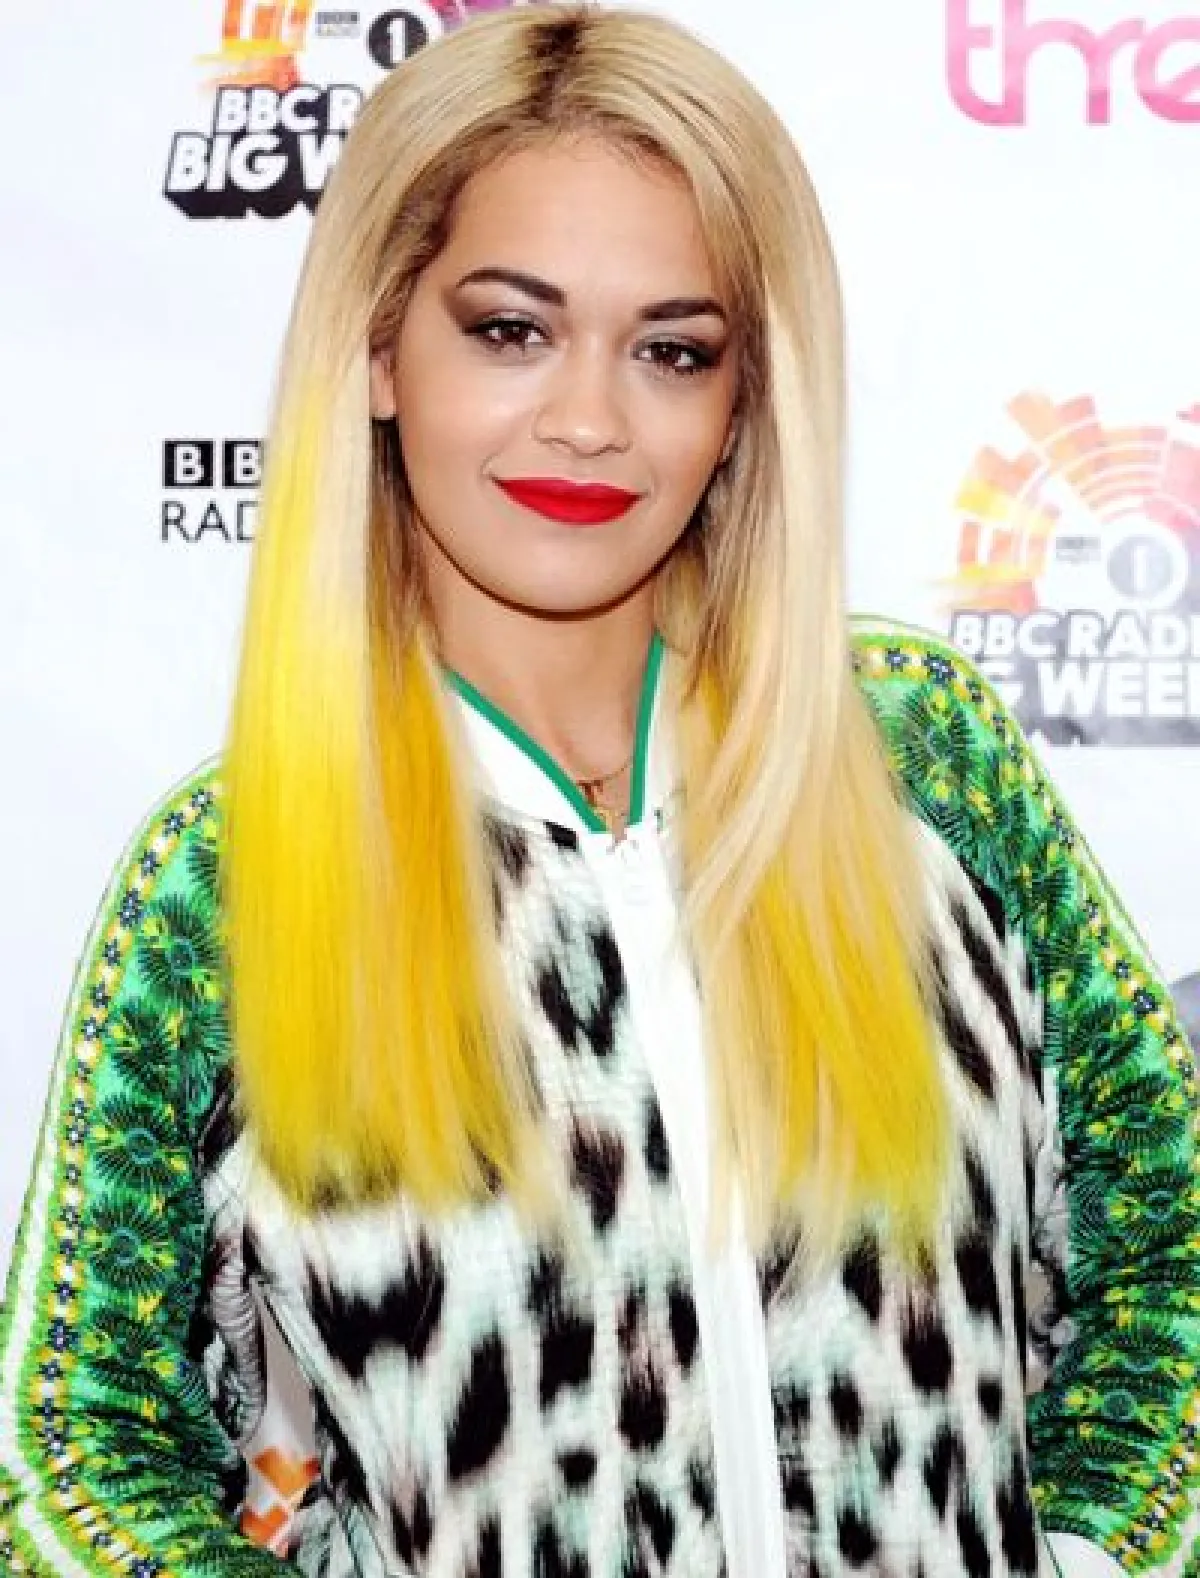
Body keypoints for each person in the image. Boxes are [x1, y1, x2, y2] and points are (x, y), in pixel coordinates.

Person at [1, 6, 1197, 1576]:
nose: (589, 419)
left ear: (742, 400)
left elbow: (1174, 1259)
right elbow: (70, 1463)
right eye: (511, 329)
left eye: (672, 350)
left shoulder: (922, 753)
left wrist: (1093, 1557)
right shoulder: (227, 873)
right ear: (379, 349)